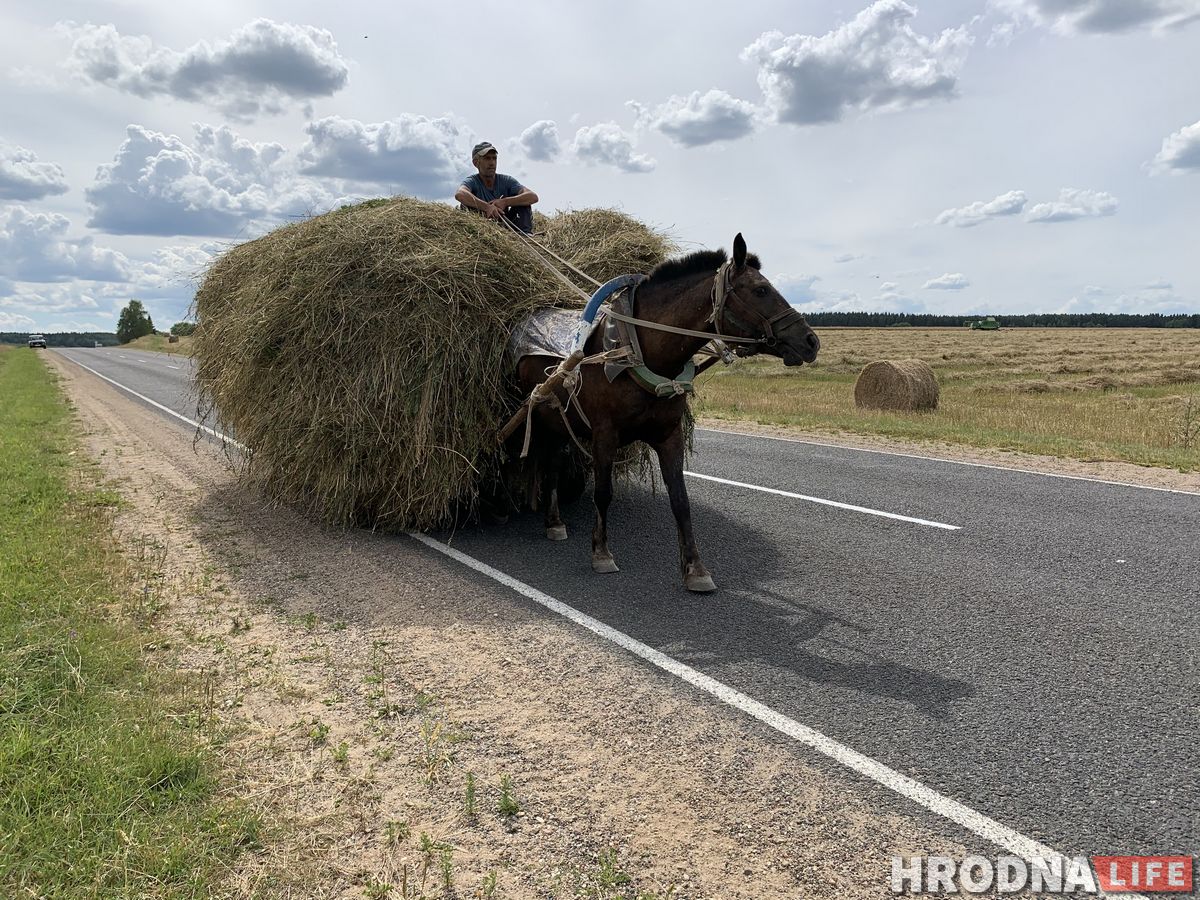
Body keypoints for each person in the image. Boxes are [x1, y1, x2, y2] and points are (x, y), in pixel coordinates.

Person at [455, 142, 538, 233]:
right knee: (465, 205)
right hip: (481, 230)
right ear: (476, 163)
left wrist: (505, 202)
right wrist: (487, 207)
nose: (492, 163)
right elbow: (460, 194)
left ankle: (526, 236)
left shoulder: (506, 180)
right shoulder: (472, 181)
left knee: (523, 202)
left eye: (494, 158)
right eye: (487, 159)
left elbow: (532, 197)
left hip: (506, 226)